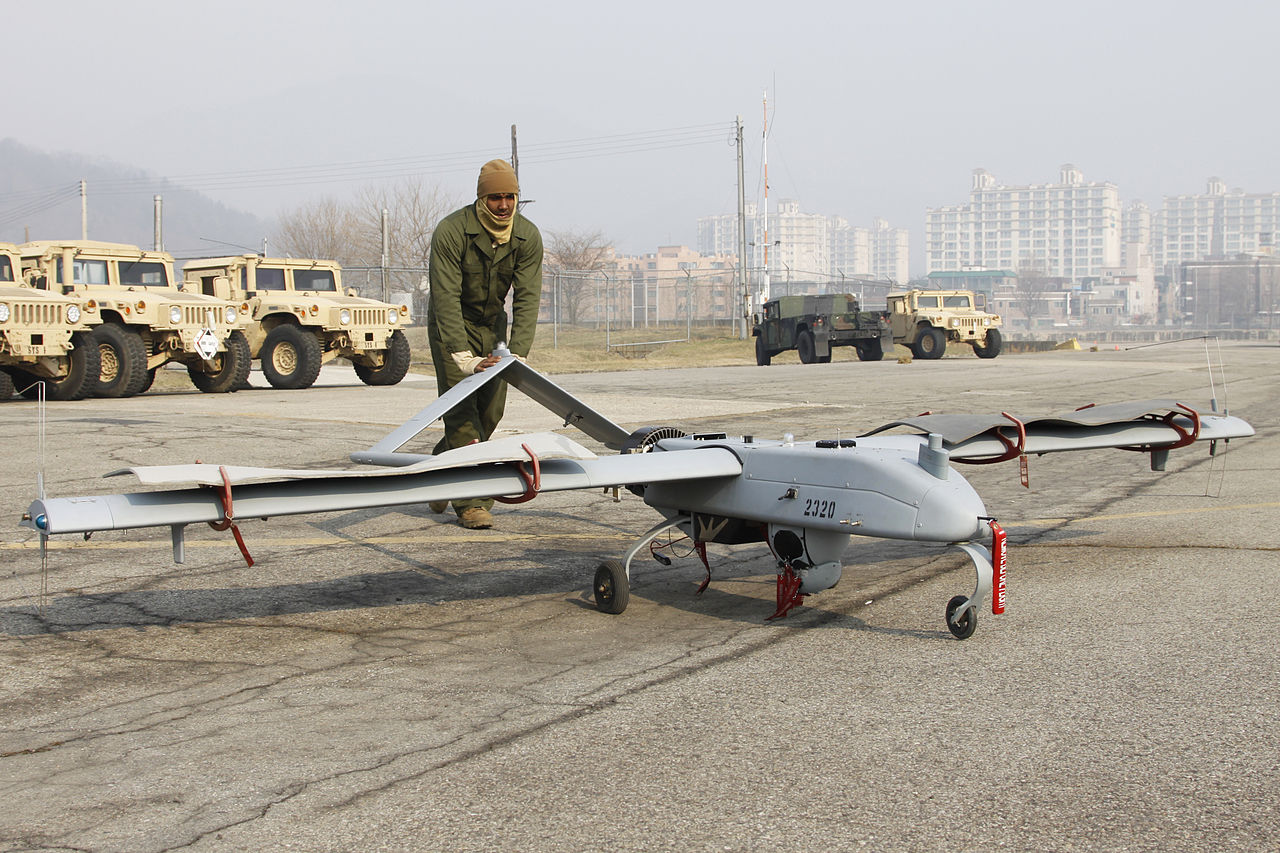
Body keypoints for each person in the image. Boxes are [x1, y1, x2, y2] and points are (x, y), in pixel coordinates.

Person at [426, 159, 543, 529]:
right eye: (495, 198)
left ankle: (439, 467)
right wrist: (463, 357)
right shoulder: (451, 231)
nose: (503, 205)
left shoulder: (527, 236)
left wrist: (517, 353)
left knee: (491, 412)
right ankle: (472, 503)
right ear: (481, 199)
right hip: (452, 324)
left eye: (510, 196)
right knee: (462, 414)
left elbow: (527, 297)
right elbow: (445, 297)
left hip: (493, 325)